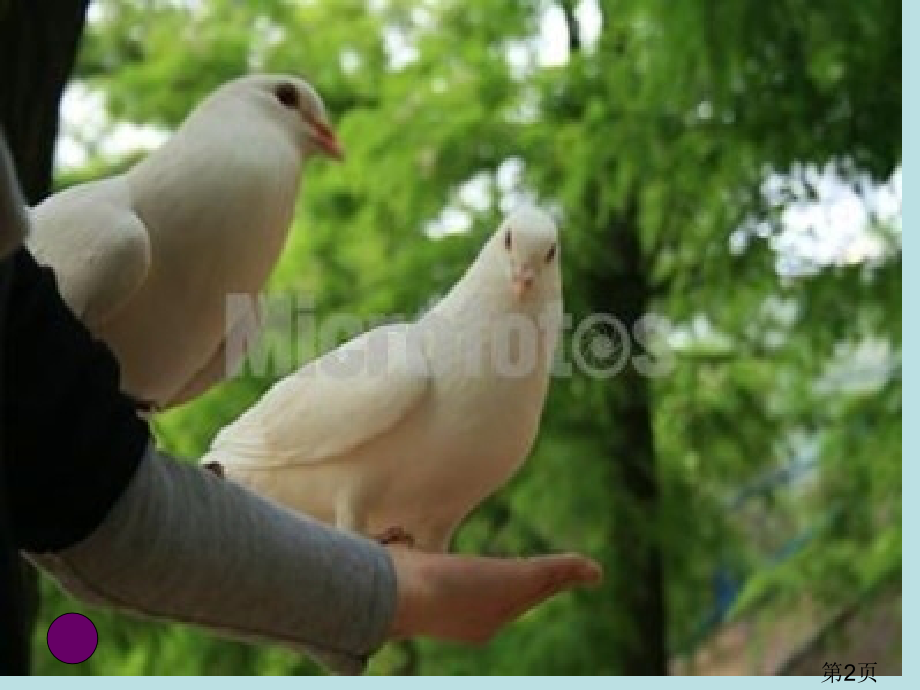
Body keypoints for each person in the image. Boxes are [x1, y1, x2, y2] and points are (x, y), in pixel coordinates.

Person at [0, 132, 601, 675]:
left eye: (541, 261)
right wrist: (384, 592)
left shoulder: (516, 423)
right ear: (496, 249)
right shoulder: (406, 360)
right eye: (512, 253)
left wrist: (397, 592)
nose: (522, 276)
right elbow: (77, 482)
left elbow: (75, 476)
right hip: (258, 467)